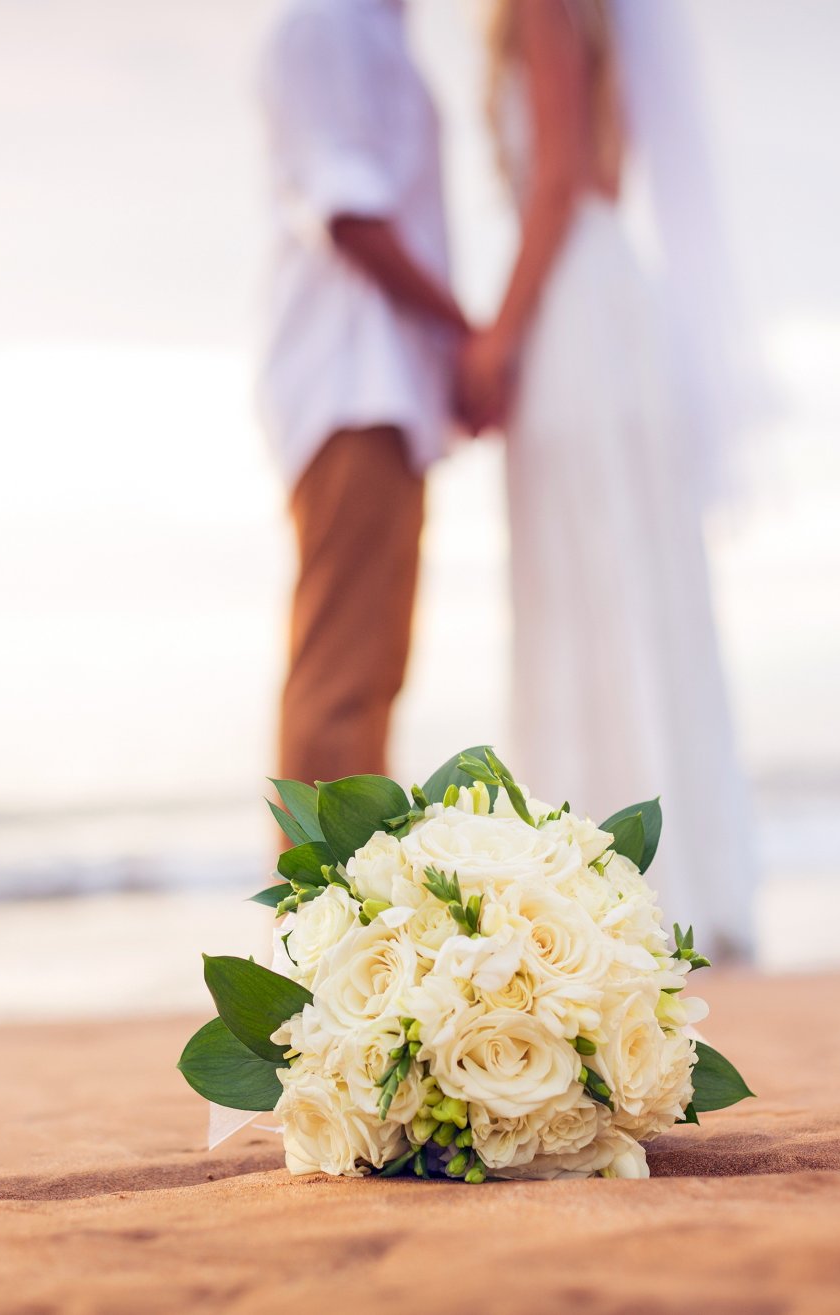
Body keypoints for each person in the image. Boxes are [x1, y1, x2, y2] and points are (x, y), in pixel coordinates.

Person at [458, 0, 764, 959]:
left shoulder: (543, 8)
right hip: (611, 303)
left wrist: (496, 340)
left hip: (574, 318)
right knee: (630, 591)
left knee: (582, 592)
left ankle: (601, 900)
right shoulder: (601, 23)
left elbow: (559, 180)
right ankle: (674, 884)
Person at [256, 0, 469, 790]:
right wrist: (465, 338)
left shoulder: (373, 28)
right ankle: (315, 877)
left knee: (371, 675)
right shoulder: (328, 22)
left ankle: (345, 873)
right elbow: (346, 210)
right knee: (343, 681)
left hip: (385, 387)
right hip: (352, 382)